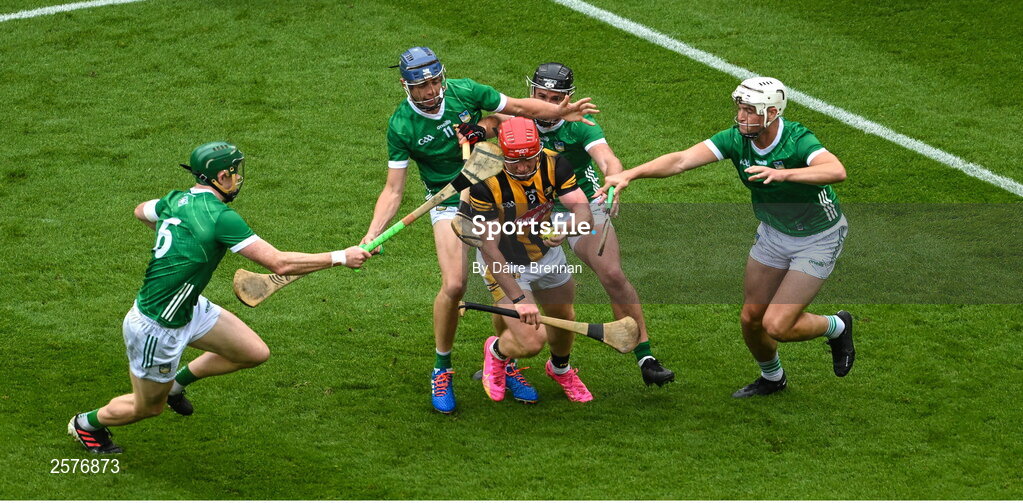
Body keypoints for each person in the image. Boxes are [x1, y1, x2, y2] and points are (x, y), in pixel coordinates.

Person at [68, 142, 371, 454]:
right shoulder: (220, 217)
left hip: (189, 306)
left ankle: (175, 384)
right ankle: (87, 424)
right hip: (156, 328)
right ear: (222, 176)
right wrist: (341, 257)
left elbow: (141, 210)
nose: (238, 178)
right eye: (235, 172)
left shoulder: (175, 199)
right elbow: (279, 264)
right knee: (147, 407)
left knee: (254, 353)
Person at [364, 47, 600, 414]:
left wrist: (558, 112)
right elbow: (394, 189)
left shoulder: (466, 91)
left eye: (434, 83)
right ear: (405, 86)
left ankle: (507, 359)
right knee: (456, 284)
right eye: (420, 87)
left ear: (442, 77)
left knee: (506, 279)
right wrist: (371, 234)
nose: (429, 93)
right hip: (447, 203)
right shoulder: (401, 125)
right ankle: (442, 367)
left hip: (494, 189)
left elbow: (519, 109)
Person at [599, 77, 855, 398]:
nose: (742, 116)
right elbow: (680, 160)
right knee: (751, 318)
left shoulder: (797, 139)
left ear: (772, 112)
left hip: (818, 238)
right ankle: (773, 378)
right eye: (741, 108)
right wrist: (629, 174)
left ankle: (838, 326)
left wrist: (783, 173)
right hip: (774, 233)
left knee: (777, 325)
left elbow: (835, 170)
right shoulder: (736, 139)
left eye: (751, 110)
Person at [472, 62, 675, 387]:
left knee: (611, 273)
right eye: (543, 96)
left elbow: (606, 157)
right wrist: (476, 131)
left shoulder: (581, 126)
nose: (550, 105)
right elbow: (491, 121)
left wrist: (615, 176)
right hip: (529, 211)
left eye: (557, 98)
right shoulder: (519, 119)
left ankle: (645, 356)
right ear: (532, 94)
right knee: (509, 283)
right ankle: (504, 358)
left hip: (578, 204)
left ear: (569, 97)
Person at [456, 116, 595, 403]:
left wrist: (565, 229)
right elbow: (489, 248)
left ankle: (560, 369)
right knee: (532, 341)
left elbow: (583, 212)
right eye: (513, 161)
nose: (521, 168)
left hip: (547, 256)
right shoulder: (485, 181)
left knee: (563, 317)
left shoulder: (556, 164)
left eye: (529, 160)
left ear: (538, 152)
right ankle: (497, 353)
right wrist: (520, 299)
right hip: (505, 263)